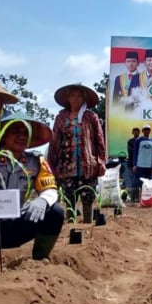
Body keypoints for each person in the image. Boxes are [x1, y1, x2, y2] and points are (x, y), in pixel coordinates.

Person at [0, 111, 64, 264]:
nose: (21, 136)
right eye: (16, 131)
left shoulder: (36, 162)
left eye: (25, 133)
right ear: (3, 135)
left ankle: (40, 260)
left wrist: (42, 200)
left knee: (55, 212)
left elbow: (50, 189)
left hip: (16, 223)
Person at [47, 83, 106, 223]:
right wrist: (51, 165)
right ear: (68, 98)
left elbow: (99, 140)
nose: (76, 99)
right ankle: (71, 224)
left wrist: (101, 161)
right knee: (69, 197)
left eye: (79, 95)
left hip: (88, 165)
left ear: (84, 98)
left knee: (88, 196)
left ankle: (87, 223)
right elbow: (54, 142)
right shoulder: (61, 117)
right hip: (66, 165)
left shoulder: (91, 117)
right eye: (73, 95)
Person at [131, 124, 152, 202]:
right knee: (137, 182)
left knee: (147, 183)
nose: (146, 131)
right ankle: (134, 199)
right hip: (140, 165)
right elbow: (135, 153)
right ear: (142, 131)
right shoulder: (138, 140)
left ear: (150, 131)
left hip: (148, 166)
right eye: (145, 129)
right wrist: (135, 164)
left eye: (148, 129)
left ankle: (145, 198)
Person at [124, 127, 140, 199]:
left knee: (139, 180)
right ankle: (133, 197)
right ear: (132, 132)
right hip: (131, 163)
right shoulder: (130, 141)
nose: (136, 132)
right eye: (135, 131)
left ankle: (138, 196)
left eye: (137, 131)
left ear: (139, 132)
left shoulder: (142, 140)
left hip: (140, 164)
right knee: (133, 179)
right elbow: (131, 151)